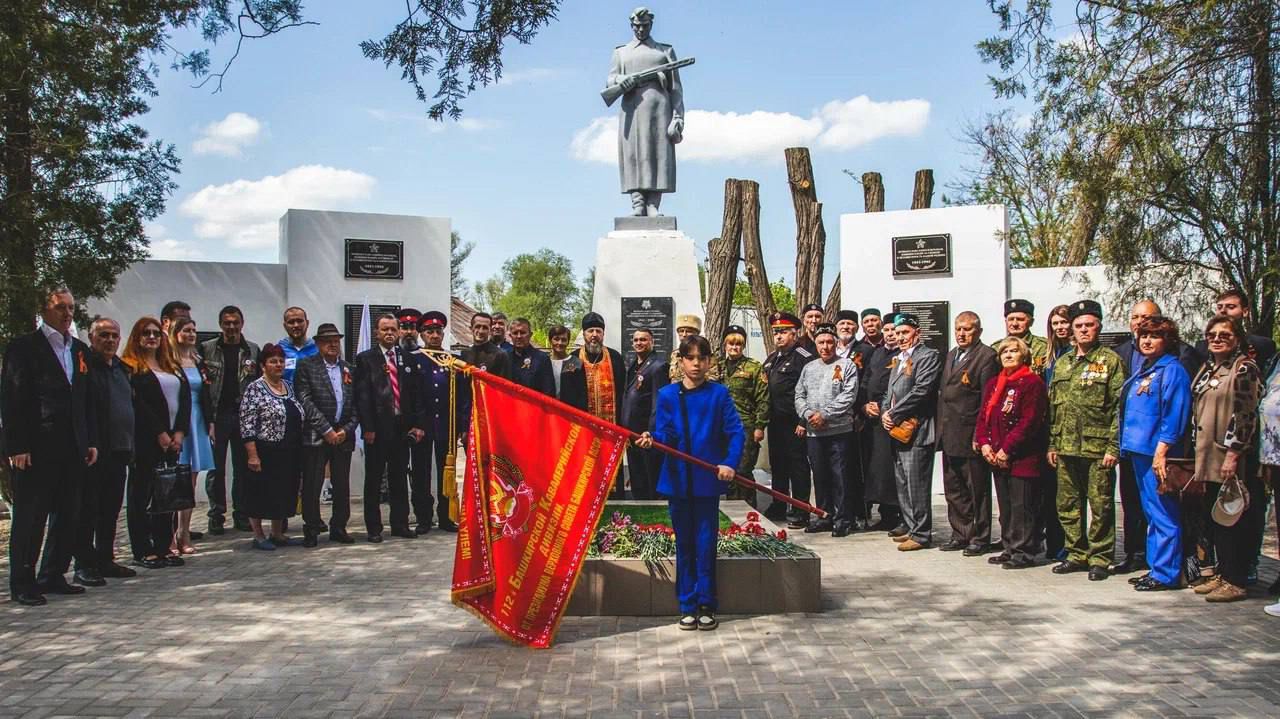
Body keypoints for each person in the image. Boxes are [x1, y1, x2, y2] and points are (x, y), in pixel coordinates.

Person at [635, 336, 743, 630]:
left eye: (701, 358)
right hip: (678, 479)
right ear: (681, 361)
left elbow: (735, 432)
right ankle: (686, 603)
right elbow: (666, 433)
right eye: (690, 358)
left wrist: (729, 463)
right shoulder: (669, 395)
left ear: (709, 362)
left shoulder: (719, 394)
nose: (696, 364)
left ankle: (707, 602)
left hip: (707, 479)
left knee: (705, 543)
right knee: (684, 543)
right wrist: (653, 439)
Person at [2, 288, 98, 605]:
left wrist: (90, 440)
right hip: (36, 447)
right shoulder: (23, 348)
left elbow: (85, 400)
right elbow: (13, 399)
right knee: (31, 517)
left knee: (67, 514)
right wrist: (17, 445)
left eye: (71, 307)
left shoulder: (79, 350)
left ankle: (53, 574)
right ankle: (23, 582)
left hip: (73, 447)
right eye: (60, 307)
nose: (67, 313)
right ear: (44, 309)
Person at [1111, 299, 1204, 575]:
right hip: (1138, 452)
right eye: (1143, 336)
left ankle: (1166, 573)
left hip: (1156, 454)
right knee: (1151, 512)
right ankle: (1155, 568)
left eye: (1154, 336)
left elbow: (1174, 416)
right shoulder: (1146, 369)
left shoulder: (1172, 370)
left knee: (1164, 514)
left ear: (1168, 340)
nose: (1147, 341)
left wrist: (1162, 452)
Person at [1047, 300, 1124, 581]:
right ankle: (1076, 553)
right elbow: (1054, 407)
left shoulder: (1110, 361)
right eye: (1078, 325)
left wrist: (1113, 447)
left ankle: (1100, 557)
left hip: (1097, 448)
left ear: (1098, 327)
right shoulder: (1063, 362)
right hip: (1065, 446)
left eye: (1089, 325)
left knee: (1101, 505)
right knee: (1067, 504)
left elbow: (1118, 408)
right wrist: (1052, 443)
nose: (1083, 330)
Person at [1189, 315, 1263, 603]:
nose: (1217, 339)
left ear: (1237, 339)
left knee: (1234, 518)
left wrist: (1233, 454)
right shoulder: (1209, 367)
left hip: (1231, 458)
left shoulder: (1244, 368)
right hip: (1208, 457)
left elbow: (1246, 415)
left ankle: (1236, 579)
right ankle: (1223, 572)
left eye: (1225, 335)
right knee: (1216, 517)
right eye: (1212, 335)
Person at [122, 316, 191, 570]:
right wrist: (159, 432)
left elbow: (185, 400)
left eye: (155, 334)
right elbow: (138, 404)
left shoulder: (171, 365)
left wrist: (179, 432)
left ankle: (163, 546)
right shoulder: (131, 367)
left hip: (173, 440)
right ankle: (143, 549)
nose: (151, 337)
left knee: (167, 494)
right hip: (146, 440)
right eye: (146, 333)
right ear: (137, 337)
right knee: (141, 494)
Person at [975, 337, 1048, 569]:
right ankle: (1009, 546)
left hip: (1021, 456)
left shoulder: (1032, 383)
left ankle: (1023, 551)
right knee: (1006, 507)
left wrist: (1007, 449)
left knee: (1022, 507)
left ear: (1023, 356)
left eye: (1014, 351)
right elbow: (984, 417)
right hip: (996, 456)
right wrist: (984, 443)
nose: (1008, 355)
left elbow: (1029, 421)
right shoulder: (995, 383)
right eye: (1004, 351)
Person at [72, 318, 136, 586]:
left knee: (110, 509)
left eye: (114, 336)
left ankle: (105, 559)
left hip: (120, 449)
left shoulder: (122, 368)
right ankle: (84, 565)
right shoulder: (84, 367)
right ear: (91, 337)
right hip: (96, 450)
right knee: (89, 509)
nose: (110, 340)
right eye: (104, 335)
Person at [608, 6, 684, 217]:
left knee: (658, 156)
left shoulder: (664, 51)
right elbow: (610, 79)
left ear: (651, 25)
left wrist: (678, 117)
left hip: (660, 110)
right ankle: (638, 203)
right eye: (637, 26)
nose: (641, 30)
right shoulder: (621, 52)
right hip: (632, 110)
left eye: (645, 26)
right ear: (631, 26)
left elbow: (676, 89)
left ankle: (653, 204)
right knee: (633, 155)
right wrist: (622, 79)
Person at [354, 313, 425, 541]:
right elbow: (362, 397)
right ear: (377, 332)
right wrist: (367, 427)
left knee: (399, 478)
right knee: (374, 480)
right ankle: (374, 528)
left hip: (402, 429)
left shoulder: (407, 358)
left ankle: (400, 524)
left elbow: (416, 395)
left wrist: (418, 425)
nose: (390, 333)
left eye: (393, 329)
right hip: (376, 429)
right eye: (385, 329)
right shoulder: (366, 359)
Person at [937, 311, 1001, 554]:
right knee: (954, 489)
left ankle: (980, 537)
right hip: (949, 432)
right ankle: (960, 533)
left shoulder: (986, 357)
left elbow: (987, 400)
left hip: (970, 434)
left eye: (967, 329)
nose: (961, 334)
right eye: (958, 329)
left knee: (977, 490)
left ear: (979, 331)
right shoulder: (952, 354)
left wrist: (980, 435)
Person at [294, 323, 358, 546]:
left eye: (336, 341)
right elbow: (305, 400)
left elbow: (356, 404)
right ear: (318, 344)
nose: (332, 344)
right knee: (313, 484)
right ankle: (311, 528)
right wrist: (326, 430)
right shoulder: (307, 366)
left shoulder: (349, 368)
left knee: (341, 485)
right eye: (327, 341)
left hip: (342, 435)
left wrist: (345, 429)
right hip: (317, 434)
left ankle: (339, 527)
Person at [882, 314, 942, 551]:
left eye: (905, 332)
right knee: (903, 482)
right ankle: (910, 526)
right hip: (897, 430)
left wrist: (894, 413)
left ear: (917, 333)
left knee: (917, 484)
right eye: (897, 333)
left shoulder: (927, 356)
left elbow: (921, 390)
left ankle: (922, 534)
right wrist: (885, 412)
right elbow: (890, 392)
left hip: (917, 430)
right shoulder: (899, 358)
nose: (900, 337)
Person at [199, 305, 260, 534]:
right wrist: (208, 419)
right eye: (227, 323)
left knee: (242, 468)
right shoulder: (207, 349)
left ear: (242, 324)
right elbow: (203, 386)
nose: (231, 327)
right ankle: (216, 515)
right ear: (220, 324)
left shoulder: (252, 350)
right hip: (218, 417)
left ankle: (241, 514)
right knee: (216, 469)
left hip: (243, 417)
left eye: (235, 322)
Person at [795, 323, 859, 536]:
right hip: (814, 432)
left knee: (840, 477)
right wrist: (808, 414)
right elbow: (799, 395)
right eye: (821, 342)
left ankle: (843, 519)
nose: (825, 346)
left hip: (839, 431)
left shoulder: (847, 365)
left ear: (836, 343)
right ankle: (824, 515)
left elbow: (848, 396)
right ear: (816, 344)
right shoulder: (809, 368)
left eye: (830, 342)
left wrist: (825, 414)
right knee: (820, 476)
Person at [240, 344, 306, 550]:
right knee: (259, 493)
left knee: (283, 492)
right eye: (273, 361)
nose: (278, 365)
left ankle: (277, 533)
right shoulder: (255, 388)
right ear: (263, 365)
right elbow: (247, 423)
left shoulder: (288, 386)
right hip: (265, 449)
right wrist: (252, 455)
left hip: (289, 450)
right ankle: (259, 536)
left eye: (281, 361)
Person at [559, 313, 627, 495]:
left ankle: (616, 503)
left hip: (612, 428)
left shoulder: (615, 358)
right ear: (584, 334)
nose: (594, 335)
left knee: (612, 471)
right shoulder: (573, 360)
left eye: (598, 331)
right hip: (583, 430)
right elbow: (566, 397)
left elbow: (623, 392)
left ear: (603, 334)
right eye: (590, 331)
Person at [762, 312, 816, 527]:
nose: (778, 336)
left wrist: (804, 421)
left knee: (797, 466)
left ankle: (800, 509)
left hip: (795, 422)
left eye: (783, 332)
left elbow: (810, 391)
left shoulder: (803, 357)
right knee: (778, 465)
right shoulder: (771, 359)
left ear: (794, 334)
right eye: (776, 332)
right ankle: (779, 503)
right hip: (775, 422)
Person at [414, 311, 466, 533]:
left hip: (447, 426)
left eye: (438, 332)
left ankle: (446, 517)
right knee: (421, 473)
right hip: (423, 426)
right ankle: (423, 518)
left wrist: (461, 425)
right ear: (422, 335)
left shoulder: (451, 361)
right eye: (429, 332)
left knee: (447, 472)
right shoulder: (415, 359)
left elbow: (462, 397)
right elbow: (411, 396)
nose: (434, 336)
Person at [170, 317, 214, 555]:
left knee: (190, 483)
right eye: (186, 330)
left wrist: (210, 422)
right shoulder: (168, 360)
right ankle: (168, 535)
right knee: (172, 482)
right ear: (175, 333)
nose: (191, 334)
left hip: (197, 420)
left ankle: (184, 532)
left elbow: (206, 393)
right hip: (177, 420)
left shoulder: (197, 360)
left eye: (193, 330)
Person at [716, 325, 768, 503]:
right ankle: (733, 509)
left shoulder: (753, 367)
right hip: (722, 426)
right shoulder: (717, 367)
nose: (734, 347)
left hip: (745, 424)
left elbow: (763, 398)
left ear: (743, 346)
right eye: (731, 343)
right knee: (728, 468)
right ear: (725, 345)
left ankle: (749, 511)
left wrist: (760, 426)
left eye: (738, 344)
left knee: (743, 470)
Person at [862, 312, 902, 531]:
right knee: (877, 470)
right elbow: (866, 380)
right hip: (872, 419)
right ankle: (884, 515)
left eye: (894, 330)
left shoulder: (903, 355)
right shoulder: (876, 353)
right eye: (886, 330)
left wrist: (883, 407)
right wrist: (864, 405)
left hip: (891, 418)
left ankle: (896, 515)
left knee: (890, 471)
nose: (890, 334)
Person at [622, 328, 669, 500]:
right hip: (632, 436)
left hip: (646, 436)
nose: (639, 343)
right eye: (636, 340)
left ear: (652, 342)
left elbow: (658, 403)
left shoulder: (658, 366)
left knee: (651, 482)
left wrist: (651, 432)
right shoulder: (633, 366)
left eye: (643, 339)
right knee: (638, 480)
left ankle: (655, 514)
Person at [1194, 288, 1277, 371]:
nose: (1223, 311)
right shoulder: (1202, 348)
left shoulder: (1262, 345)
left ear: (1245, 312)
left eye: (1231, 307)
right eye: (1219, 307)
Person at [991, 299, 1050, 377]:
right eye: (1011, 319)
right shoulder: (996, 348)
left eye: (1020, 319)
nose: (1015, 324)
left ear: (1031, 322)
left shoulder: (1043, 346)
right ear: (1006, 322)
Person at [509, 318, 555, 397]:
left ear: (530, 335)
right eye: (515, 333)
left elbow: (548, 391)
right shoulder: (505, 357)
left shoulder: (542, 358)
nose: (519, 336)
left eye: (523, 333)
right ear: (510, 336)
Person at [668, 314, 720, 382]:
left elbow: (713, 378)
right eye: (681, 331)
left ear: (697, 334)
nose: (684, 335)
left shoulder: (707, 353)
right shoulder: (675, 354)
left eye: (688, 331)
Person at [460, 312, 512, 379]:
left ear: (490, 330)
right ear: (471, 328)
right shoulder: (464, 354)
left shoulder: (500, 355)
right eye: (477, 327)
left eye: (485, 328)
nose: (481, 331)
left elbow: (504, 383)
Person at [278, 306, 318, 384]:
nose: (296, 325)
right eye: (291, 322)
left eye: (300, 321)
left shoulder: (318, 349)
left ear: (307, 323)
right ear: (285, 326)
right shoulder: (279, 350)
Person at [547, 325, 573, 397]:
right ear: (550, 340)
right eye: (556, 339)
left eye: (564, 340)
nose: (560, 343)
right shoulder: (544, 362)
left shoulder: (576, 363)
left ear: (568, 342)